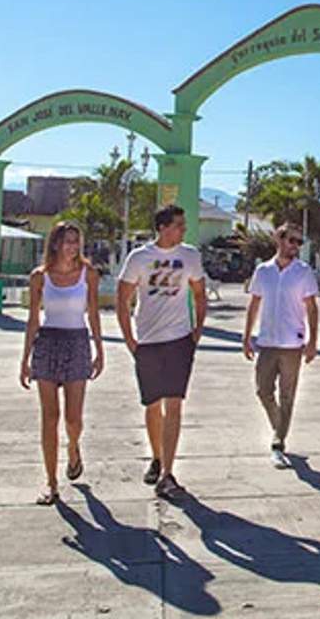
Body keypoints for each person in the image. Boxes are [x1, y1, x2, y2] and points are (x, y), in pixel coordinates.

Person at [116, 204, 207, 500]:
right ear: (163, 227)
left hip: (179, 339)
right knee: (152, 405)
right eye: (179, 225)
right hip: (148, 340)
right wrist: (130, 340)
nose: (183, 230)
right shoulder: (139, 258)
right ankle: (157, 457)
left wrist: (197, 331)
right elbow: (123, 298)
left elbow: (199, 292)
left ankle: (168, 473)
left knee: (175, 404)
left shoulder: (190, 255)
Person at [20, 220, 104, 506]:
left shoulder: (88, 273)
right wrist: (25, 358)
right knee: (49, 417)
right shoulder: (40, 277)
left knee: (73, 418)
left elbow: (93, 313)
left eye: (76, 241)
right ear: (55, 243)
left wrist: (99, 349)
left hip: (77, 342)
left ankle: (74, 448)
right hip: (47, 343)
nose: (72, 247)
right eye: (67, 241)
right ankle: (51, 482)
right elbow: (33, 319)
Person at [242, 222, 319, 469]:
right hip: (266, 341)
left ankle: (278, 443)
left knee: (287, 395)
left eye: (299, 242)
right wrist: (246, 336)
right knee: (263, 391)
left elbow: (311, 307)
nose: (296, 246)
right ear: (280, 240)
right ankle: (279, 426)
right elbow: (254, 304)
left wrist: (312, 341)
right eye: (292, 241)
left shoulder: (303, 272)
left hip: (292, 344)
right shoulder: (263, 271)